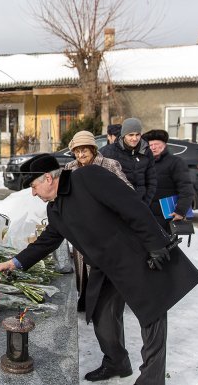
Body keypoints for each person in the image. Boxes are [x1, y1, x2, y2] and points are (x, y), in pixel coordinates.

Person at [0, 154, 198, 385]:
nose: (33, 193)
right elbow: (48, 240)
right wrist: (15, 262)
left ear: (48, 179)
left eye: (33, 187)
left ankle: (151, 380)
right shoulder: (55, 209)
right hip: (105, 268)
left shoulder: (88, 177)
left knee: (151, 317)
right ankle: (117, 362)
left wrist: (155, 244)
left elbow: (132, 205)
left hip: (135, 257)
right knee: (102, 316)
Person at [65, 130, 133, 312]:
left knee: (102, 266)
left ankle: (105, 303)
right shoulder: (70, 168)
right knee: (82, 266)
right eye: (77, 151)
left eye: (84, 151)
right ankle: (85, 298)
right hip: (82, 226)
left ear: (93, 149)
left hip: (105, 227)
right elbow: (63, 196)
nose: (80, 155)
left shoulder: (109, 165)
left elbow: (127, 191)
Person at [142, 129, 195, 234]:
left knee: (164, 248)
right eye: (150, 145)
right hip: (147, 214)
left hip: (166, 216)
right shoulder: (144, 163)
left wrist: (180, 211)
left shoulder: (176, 163)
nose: (153, 147)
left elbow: (186, 189)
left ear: (164, 145)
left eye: (156, 144)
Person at [100, 117, 157, 205]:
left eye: (137, 134)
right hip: (115, 205)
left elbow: (151, 180)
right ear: (123, 135)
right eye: (131, 135)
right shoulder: (108, 152)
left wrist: (145, 203)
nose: (134, 138)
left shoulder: (146, 151)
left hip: (140, 204)